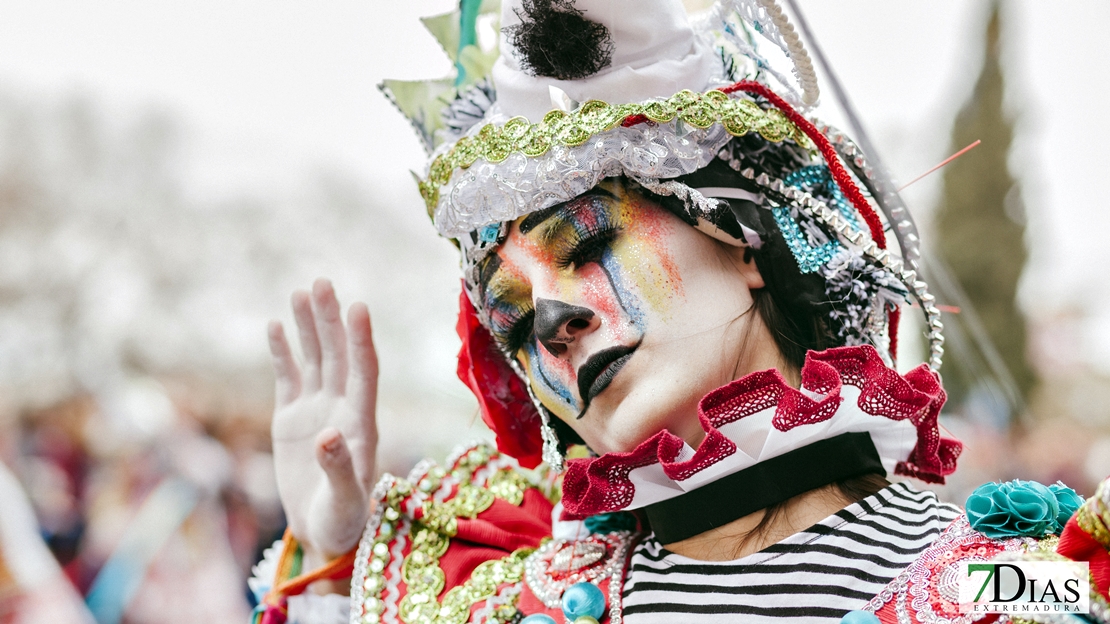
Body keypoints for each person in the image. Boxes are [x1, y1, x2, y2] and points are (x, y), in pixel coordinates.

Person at [251, 1, 1110, 623]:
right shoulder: (518, 602)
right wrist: (333, 561)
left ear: (741, 245)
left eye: (587, 249)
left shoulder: (1010, 585)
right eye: (513, 326)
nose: (552, 324)